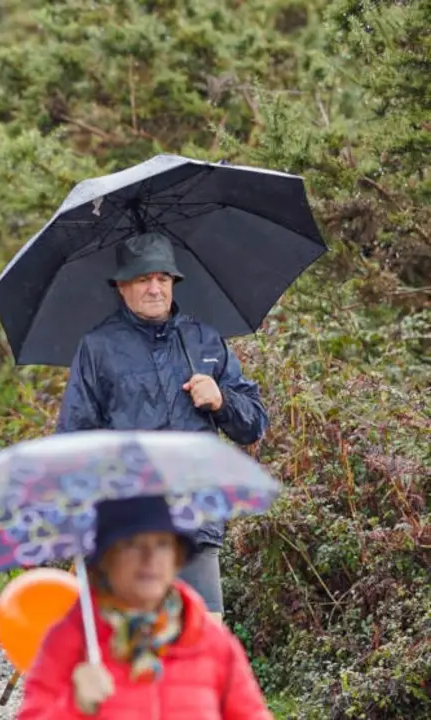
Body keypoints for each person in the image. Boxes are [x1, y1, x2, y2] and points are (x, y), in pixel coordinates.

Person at [55, 233, 268, 622]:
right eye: (142, 279)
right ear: (121, 286)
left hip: (195, 523)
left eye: (163, 278)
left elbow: (254, 424)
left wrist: (222, 400)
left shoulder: (204, 340)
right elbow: (73, 441)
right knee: (134, 647)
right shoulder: (97, 347)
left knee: (204, 639)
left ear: (174, 283)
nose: (155, 289)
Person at [18, 495, 272, 718]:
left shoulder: (212, 643)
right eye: (132, 543)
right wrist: (73, 707)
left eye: (162, 544)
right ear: (105, 558)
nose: (150, 557)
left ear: (177, 558)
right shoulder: (70, 641)